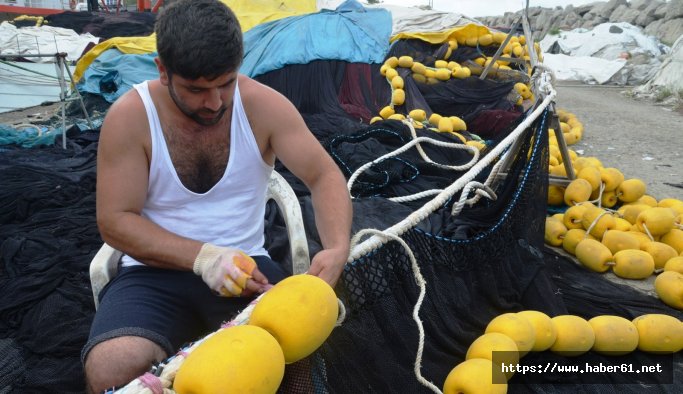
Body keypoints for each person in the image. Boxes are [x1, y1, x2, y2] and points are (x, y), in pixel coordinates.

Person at [81, 0, 353, 391]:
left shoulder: (264, 106)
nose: (214, 103)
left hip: (250, 271)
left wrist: (337, 246)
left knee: (298, 365)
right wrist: (205, 258)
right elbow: (115, 221)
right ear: (162, 70)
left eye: (226, 83)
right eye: (196, 89)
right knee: (110, 368)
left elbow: (324, 175)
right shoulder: (131, 117)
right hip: (151, 274)